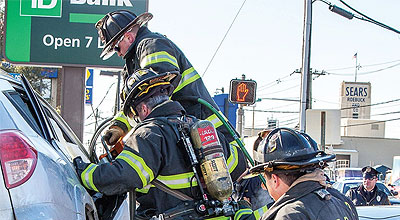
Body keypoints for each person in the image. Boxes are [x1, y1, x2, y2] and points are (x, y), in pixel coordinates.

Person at [74, 69, 249, 219]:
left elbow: (124, 176)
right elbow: (238, 166)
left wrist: (84, 172)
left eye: (135, 115)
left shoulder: (149, 134)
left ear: (143, 109)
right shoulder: (203, 129)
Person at [95, 10, 241, 162]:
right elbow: (136, 103)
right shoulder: (134, 61)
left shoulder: (152, 46)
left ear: (129, 37)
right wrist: (119, 126)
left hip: (212, 138)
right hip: (195, 136)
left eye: (116, 48)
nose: (118, 54)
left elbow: (153, 97)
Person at [245, 127, 358, 220]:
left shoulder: (290, 214)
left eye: (265, 179)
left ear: (275, 179)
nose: (264, 187)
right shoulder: (342, 202)